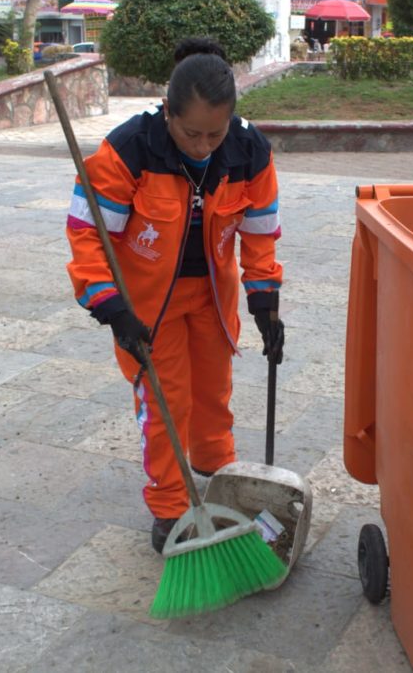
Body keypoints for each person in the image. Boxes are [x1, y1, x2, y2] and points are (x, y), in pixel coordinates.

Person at [65, 37, 285, 554]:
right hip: (146, 304)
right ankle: (169, 505)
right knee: (167, 401)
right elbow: (88, 234)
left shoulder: (250, 151)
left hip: (212, 294)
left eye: (216, 132)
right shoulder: (129, 149)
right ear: (168, 112)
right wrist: (109, 305)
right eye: (191, 132)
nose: (204, 145)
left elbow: (259, 230)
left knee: (213, 388)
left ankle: (216, 467)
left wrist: (265, 301)